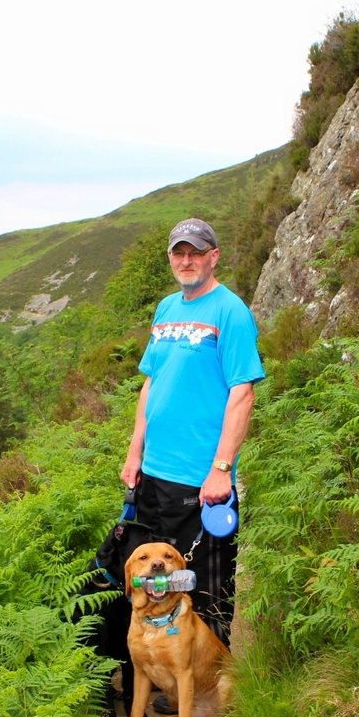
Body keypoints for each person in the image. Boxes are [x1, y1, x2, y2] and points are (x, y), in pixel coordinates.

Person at [120, 217, 265, 649]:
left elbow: (243, 393)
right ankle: (167, 678)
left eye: (196, 252)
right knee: (157, 580)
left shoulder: (230, 312)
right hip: (154, 472)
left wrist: (221, 470)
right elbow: (152, 383)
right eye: (179, 253)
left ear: (213, 256)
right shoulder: (166, 309)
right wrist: (134, 453)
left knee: (201, 584)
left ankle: (211, 691)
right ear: (171, 259)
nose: (187, 261)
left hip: (200, 479)